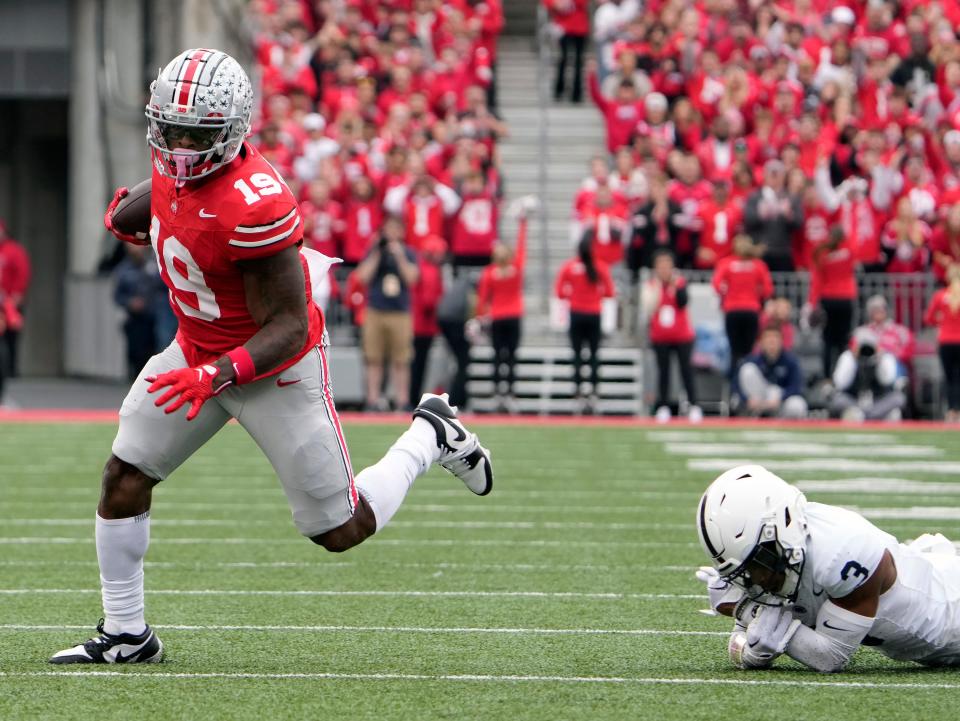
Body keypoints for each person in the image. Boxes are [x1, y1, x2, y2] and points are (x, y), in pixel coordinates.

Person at [50, 49, 494, 665]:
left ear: (229, 132)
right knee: (124, 476)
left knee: (340, 530)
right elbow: (162, 199)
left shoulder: (255, 202)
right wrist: (137, 209)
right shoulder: (177, 165)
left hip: (273, 369)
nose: (178, 147)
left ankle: (429, 435)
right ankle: (128, 633)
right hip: (196, 351)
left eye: (195, 135)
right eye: (170, 131)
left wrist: (217, 374)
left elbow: (288, 325)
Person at [696, 465, 960, 672]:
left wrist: (744, 610)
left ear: (782, 526)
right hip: (927, 583)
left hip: (950, 615)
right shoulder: (778, 559)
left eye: (758, 563)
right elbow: (746, 641)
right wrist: (753, 652)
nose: (758, 578)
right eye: (746, 572)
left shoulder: (844, 551)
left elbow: (830, 656)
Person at [355, 216, 420, 411]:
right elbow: (362, 277)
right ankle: (373, 400)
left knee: (401, 359)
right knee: (373, 358)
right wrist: (376, 252)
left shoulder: (408, 252)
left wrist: (399, 255)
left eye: (395, 230)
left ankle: (402, 400)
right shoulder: (375, 252)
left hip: (400, 312)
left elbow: (412, 279)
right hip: (376, 310)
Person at [475, 200, 533, 413]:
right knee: (511, 356)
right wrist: (523, 224)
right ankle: (509, 393)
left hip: (498, 316)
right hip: (514, 315)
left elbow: (482, 300)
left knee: (498, 355)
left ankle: (499, 393)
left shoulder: (489, 273)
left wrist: (480, 316)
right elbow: (522, 247)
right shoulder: (515, 268)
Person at [555, 237, 616, 413]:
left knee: (577, 354)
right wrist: (595, 296)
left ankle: (578, 389)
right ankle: (594, 390)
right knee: (594, 354)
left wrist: (573, 296)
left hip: (576, 313)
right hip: (594, 314)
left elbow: (559, 291)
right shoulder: (600, 266)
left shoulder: (570, 267)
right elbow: (610, 291)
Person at [642, 250, 700, 423]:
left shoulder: (680, 282)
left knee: (686, 371)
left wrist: (675, 285)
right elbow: (649, 307)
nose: (664, 268)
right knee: (663, 372)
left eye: (667, 264)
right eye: (661, 264)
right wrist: (660, 287)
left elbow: (683, 302)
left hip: (682, 334)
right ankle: (663, 406)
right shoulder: (652, 285)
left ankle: (693, 405)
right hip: (661, 335)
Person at [711, 234, 773, 373]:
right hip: (751, 311)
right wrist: (757, 294)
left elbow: (716, 285)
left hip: (732, 311)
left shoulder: (726, 263)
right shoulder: (758, 265)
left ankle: (735, 386)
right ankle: (747, 384)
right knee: (748, 351)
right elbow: (768, 289)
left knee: (734, 350)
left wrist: (726, 294)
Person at [806, 225, 857, 380]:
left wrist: (812, 303)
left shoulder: (823, 254)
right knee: (843, 341)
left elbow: (817, 282)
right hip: (846, 299)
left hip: (828, 300)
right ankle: (843, 377)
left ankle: (827, 377)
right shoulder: (848, 251)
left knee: (828, 342)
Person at [828, 328, 908, 422]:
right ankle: (867, 415)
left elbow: (887, 381)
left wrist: (879, 359)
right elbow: (840, 384)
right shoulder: (848, 357)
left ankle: (869, 416)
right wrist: (853, 359)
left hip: (878, 402)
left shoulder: (885, 357)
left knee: (898, 398)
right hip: (854, 401)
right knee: (838, 399)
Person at [113, 245, 166, 381]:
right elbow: (118, 296)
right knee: (136, 351)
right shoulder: (123, 270)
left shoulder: (155, 265)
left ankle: (155, 379)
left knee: (158, 349)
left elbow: (165, 286)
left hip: (156, 316)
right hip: (136, 319)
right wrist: (130, 302)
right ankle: (135, 378)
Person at [733, 324, 808, 419]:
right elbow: (735, 384)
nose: (771, 342)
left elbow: (796, 387)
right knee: (747, 370)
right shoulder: (753, 360)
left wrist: (780, 398)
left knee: (797, 405)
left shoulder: (791, 361)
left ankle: (784, 425)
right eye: (768, 339)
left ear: (781, 341)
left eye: (775, 338)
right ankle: (757, 415)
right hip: (759, 399)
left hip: (780, 401)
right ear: (762, 342)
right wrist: (747, 399)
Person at [744, 160, 803, 271]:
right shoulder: (754, 197)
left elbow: (799, 223)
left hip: (783, 251)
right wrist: (760, 215)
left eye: (777, 174)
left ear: (783, 176)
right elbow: (748, 220)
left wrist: (788, 215)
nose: (774, 177)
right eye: (772, 173)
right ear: (765, 175)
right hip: (759, 250)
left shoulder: (791, 197)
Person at [408, 235, 446, 408]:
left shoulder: (422, 266)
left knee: (417, 363)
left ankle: (412, 396)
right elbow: (429, 301)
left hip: (418, 323)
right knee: (419, 364)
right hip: (424, 324)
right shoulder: (430, 270)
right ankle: (413, 397)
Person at [924, 265, 960, 423]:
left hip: (945, 341)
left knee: (949, 377)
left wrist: (942, 321)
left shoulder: (940, 296)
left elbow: (928, 318)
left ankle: (952, 410)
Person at [0, 219, 30, 377]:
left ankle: (11, 369)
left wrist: (17, 295)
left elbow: (22, 273)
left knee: (11, 336)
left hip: (9, 303)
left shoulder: (13, 251)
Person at [544, 0, 589, 103]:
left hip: (579, 25)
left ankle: (576, 94)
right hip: (563, 25)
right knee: (562, 57)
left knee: (578, 61)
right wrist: (554, 3)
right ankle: (559, 89)